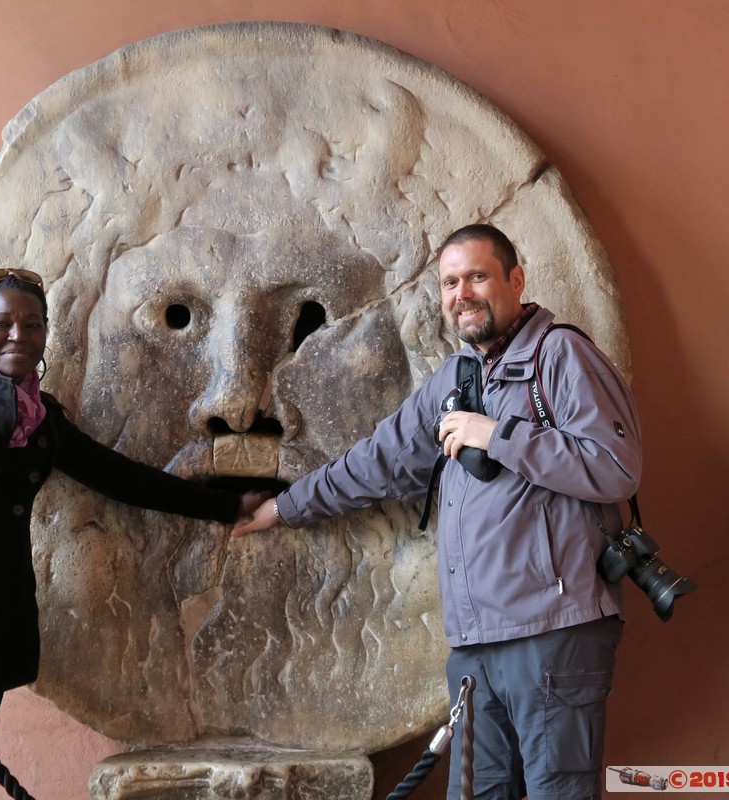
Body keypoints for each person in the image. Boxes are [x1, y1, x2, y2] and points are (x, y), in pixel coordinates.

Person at [233, 224, 642, 800]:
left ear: (516, 280)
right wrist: (285, 506)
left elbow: (615, 466)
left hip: (554, 634)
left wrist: (498, 435)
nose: (462, 294)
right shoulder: (458, 377)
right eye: (451, 282)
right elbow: (379, 461)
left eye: (478, 276)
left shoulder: (563, 355)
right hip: (475, 646)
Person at [0, 268, 267, 800]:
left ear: (45, 335)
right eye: (3, 323)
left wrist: (227, 506)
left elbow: (121, 478)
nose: (18, 334)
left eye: (32, 324)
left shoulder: (41, 420)